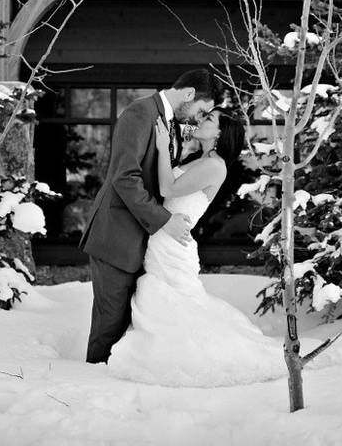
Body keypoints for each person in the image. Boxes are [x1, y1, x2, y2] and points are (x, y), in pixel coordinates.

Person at [107, 108, 283, 387]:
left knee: (168, 301)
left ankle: (182, 356)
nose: (201, 121)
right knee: (171, 301)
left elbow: (168, 189)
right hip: (165, 237)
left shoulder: (216, 166)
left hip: (174, 245)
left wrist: (164, 148)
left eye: (209, 119)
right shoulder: (201, 159)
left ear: (220, 133)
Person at [80, 69, 222, 364]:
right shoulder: (140, 113)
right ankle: (93, 387)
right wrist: (164, 220)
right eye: (202, 110)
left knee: (129, 328)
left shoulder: (168, 121)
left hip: (142, 242)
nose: (200, 117)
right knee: (110, 327)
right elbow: (125, 177)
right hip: (116, 237)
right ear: (189, 95)